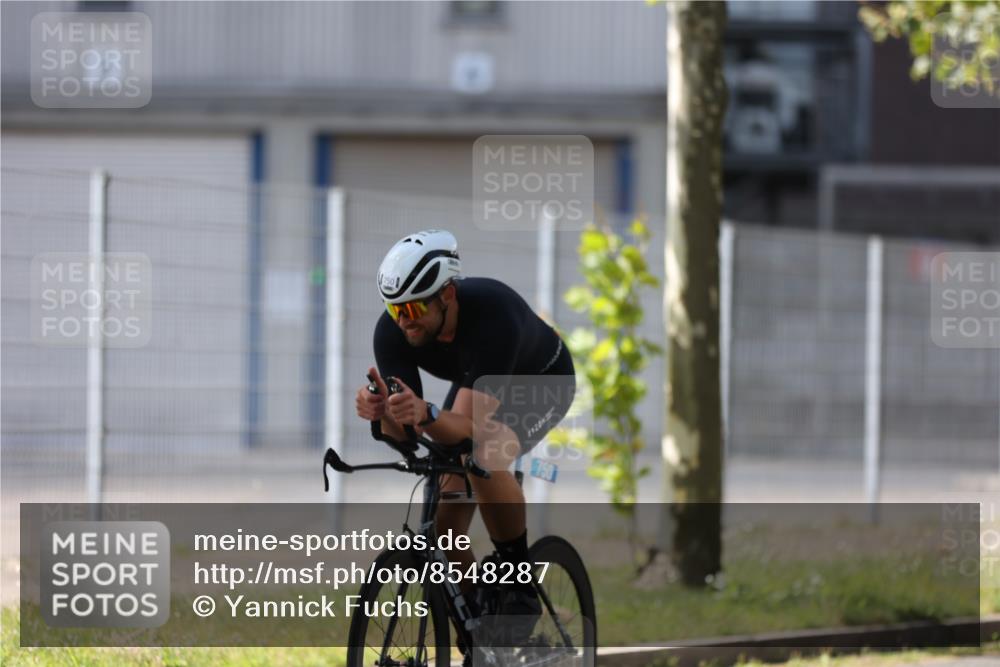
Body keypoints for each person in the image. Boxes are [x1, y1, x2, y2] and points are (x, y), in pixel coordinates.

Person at [355, 229, 575, 640]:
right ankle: (479, 621)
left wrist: (428, 413)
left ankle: (517, 584)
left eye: (415, 307)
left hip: (540, 381)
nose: (405, 322)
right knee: (445, 510)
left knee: (484, 458)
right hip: (479, 378)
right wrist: (381, 412)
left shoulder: (492, 313)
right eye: (394, 308)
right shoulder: (394, 330)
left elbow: (469, 433)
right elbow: (406, 434)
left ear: (447, 295)